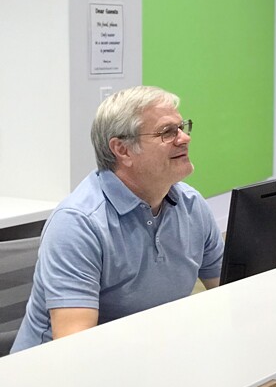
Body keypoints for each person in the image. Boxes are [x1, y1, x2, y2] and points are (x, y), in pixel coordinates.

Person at [11, 86, 224, 352]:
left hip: (151, 358)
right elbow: (74, 347)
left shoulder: (192, 205)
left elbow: (231, 294)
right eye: (168, 132)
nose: (184, 139)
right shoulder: (78, 223)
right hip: (52, 380)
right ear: (122, 150)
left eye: (182, 127)